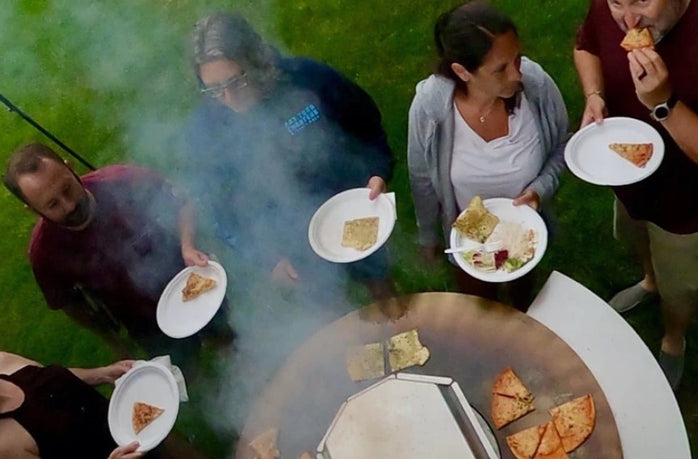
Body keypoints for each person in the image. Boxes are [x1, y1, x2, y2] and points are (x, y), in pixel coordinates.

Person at [181, 12, 396, 301]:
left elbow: (366, 123)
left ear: (255, 61)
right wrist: (266, 258)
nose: (229, 98)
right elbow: (220, 209)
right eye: (215, 89)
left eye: (236, 81)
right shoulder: (206, 132)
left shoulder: (307, 79)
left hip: (348, 207)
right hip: (288, 238)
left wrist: (377, 171)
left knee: (380, 285)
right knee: (324, 308)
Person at [2, 143, 233, 365]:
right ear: (32, 209)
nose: (69, 205)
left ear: (69, 167)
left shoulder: (123, 181)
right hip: (144, 322)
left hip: (188, 280)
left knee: (224, 337)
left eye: (67, 188)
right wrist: (113, 341)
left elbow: (181, 201)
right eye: (52, 204)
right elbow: (69, 303)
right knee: (183, 370)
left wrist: (187, 246)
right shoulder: (45, 253)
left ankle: (225, 351)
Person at [408, 1, 568, 308]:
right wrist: (428, 235)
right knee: (480, 307)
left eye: (517, 59)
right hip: (468, 235)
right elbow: (421, 177)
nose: (517, 74)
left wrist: (539, 190)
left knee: (522, 297)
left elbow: (563, 148)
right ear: (462, 71)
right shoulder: (430, 107)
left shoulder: (536, 84)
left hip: (525, 230)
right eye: (501, 69)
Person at [574, 0, 698, 390]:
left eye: (642, 1)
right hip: (627, 177)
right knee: (635, 237)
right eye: (617, 3)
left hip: (686, 204)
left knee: (680, 287)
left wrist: (664, 102)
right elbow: (586, 46)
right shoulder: (610, 8)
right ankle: (649, 281)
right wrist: (594, 94)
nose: (628, 20)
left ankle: (673, 338)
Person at [0, 350, 206, 459]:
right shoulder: (5, 446)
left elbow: (52, 378)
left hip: (134, 429)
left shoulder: (2, 361)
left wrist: (103, 373)